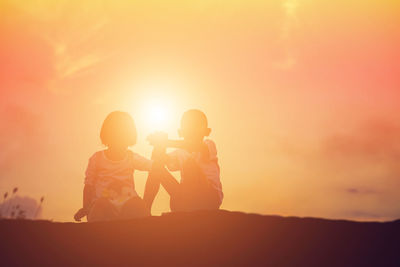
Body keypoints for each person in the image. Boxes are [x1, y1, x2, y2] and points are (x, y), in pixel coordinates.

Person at [74, 111, 153, 222]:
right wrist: (85, 208)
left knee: (137, 203)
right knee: (101, 204)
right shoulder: (97, 159)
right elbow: (89, 186)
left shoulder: (132, 158)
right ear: (108, 136)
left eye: (123, 135)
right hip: (104, 206)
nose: (119, 139)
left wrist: (160, 148)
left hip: (128, 205)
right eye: (116, 134)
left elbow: (154, 167)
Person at [144, 109, 223, 212]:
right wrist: (159, 145)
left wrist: (167, 142)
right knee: (156, 165)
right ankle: (146, 207)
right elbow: (160, 162)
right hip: (185, 199)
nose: (192, 131)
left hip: (208, 197)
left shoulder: (209, 145)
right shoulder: (179, 153)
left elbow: (193, 146)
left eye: (196, 127)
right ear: (181, 132)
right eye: (189, 128)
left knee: (190, 165)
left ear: (206, 132)